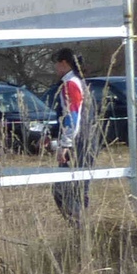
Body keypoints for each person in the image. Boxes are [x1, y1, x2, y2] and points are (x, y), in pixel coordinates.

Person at [46, 47, 96, 220]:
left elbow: (72, 116)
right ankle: (79, 225)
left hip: (79, 141)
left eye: (56, 64)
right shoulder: (78, 82)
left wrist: (65, 145)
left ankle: (79, 225)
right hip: (83, 139)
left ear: (64, 63)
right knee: (74, 190)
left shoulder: (71, 84)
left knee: (66, 191)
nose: (55, 68)